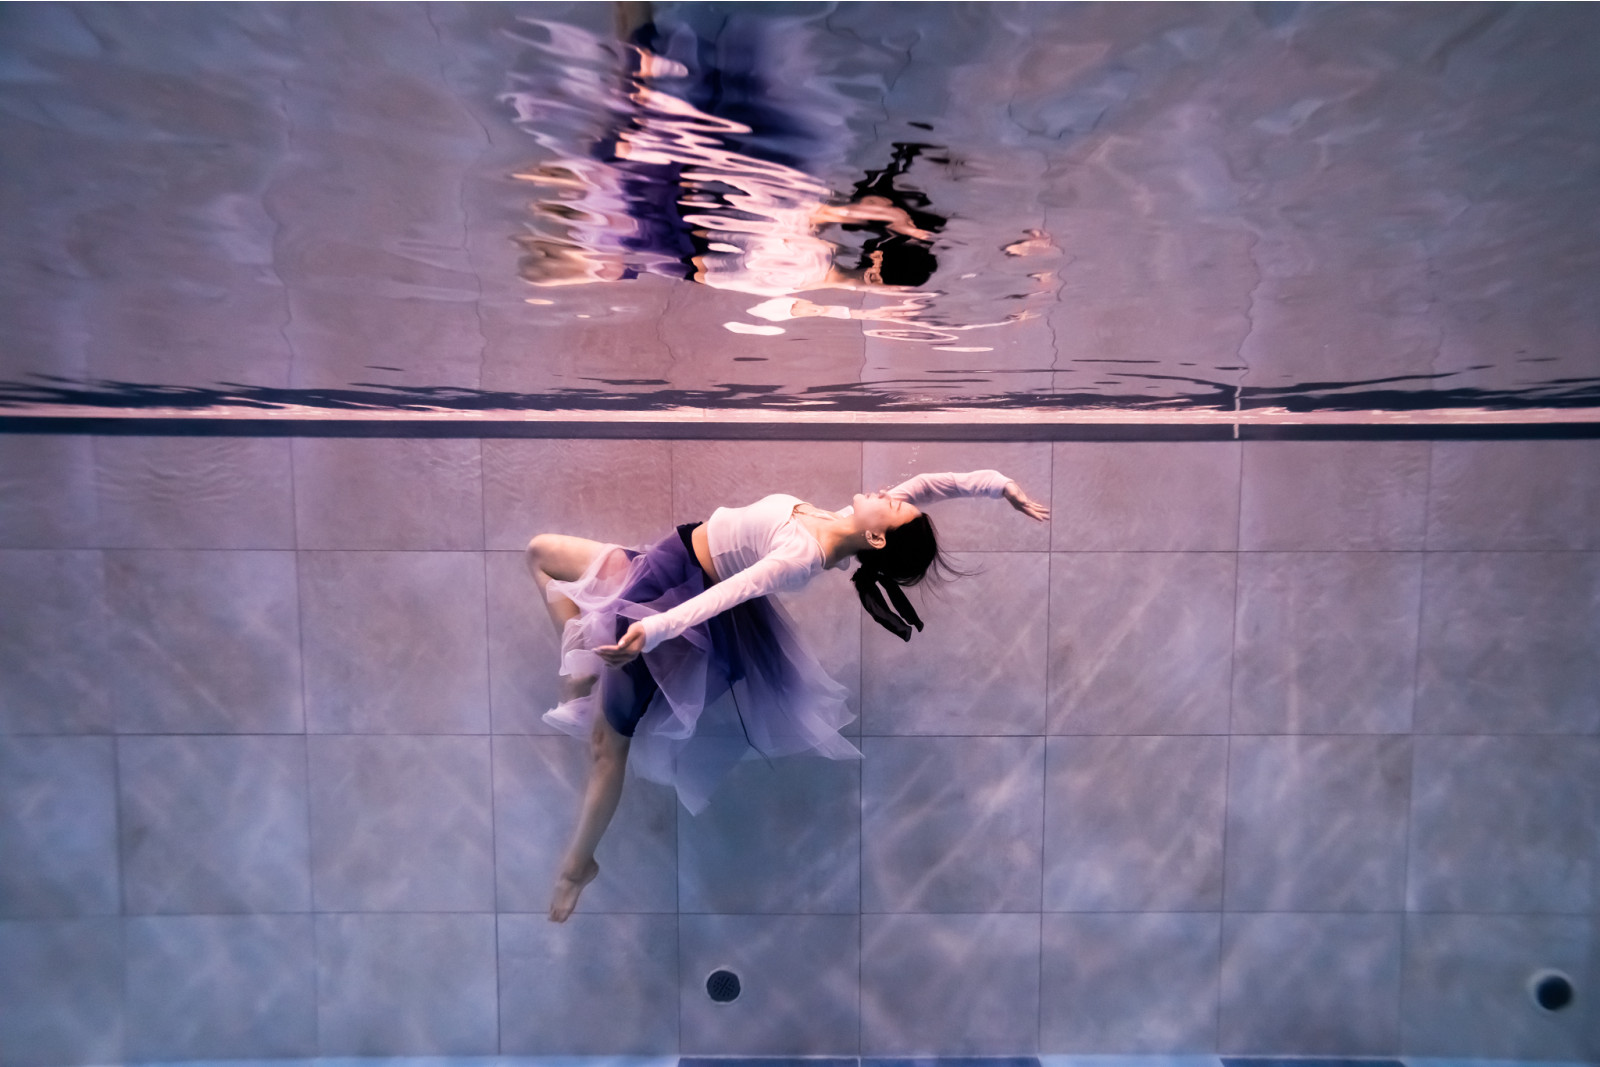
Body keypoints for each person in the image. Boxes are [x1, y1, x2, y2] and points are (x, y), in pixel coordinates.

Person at [526, 469, 1050, 922]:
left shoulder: (801, 555)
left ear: (876, 537)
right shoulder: (842, 520)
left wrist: (653, 630)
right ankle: (582, 667)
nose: (890, 494)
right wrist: (999, 486)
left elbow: (724, 596)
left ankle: (577, 867)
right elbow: (933, 485)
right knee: (541, 554)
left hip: (674, 597)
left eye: (892, 507)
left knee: (606, 748)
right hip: (663, 561)